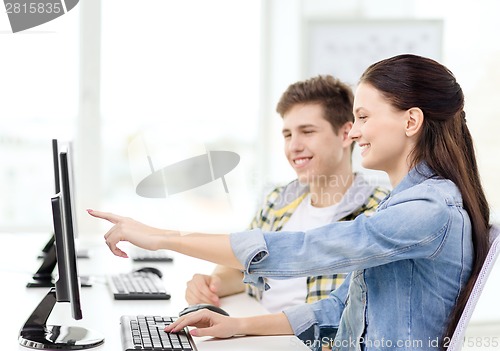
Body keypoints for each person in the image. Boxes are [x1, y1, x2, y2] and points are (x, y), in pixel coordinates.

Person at [88, 54, 491, 351]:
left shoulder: (428, 209)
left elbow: (305, 249)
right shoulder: (409, 203)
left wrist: (160, 236)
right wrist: (238, 327)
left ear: (410, 121)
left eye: (365, 118)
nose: (356, 133)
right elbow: (339, 308)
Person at [184, 75, 388, 313]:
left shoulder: (379, 210)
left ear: (345, 134)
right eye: (288, 135)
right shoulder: (278, 200)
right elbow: (240, 265)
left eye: (307, 131)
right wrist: (212, 284)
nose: (294, 146)